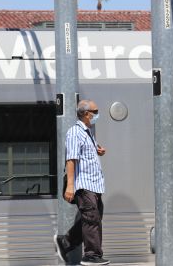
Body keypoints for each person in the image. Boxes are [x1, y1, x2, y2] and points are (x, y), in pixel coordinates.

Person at [53, 99, 110, 265]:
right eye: (95, 111)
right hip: (84, 185)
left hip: (94, 185)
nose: (97, 114)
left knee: (93, 217)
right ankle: (92, 256)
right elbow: (71, 159)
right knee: (91, 218)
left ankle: (65, 243)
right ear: (86, 114)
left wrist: (97, 150)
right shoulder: (74, 132)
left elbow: (85, 154)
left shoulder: (88, 132)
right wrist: (70, 186)